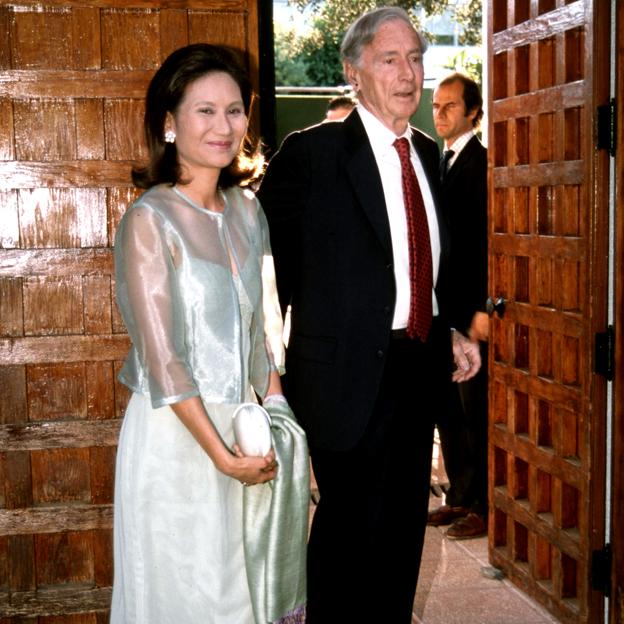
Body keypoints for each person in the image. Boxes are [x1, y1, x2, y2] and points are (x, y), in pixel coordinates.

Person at [258, 8, 481, 623]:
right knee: (346, 537)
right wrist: (261, 377)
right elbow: (264, 274)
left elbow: (432, 261)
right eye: (391, 59)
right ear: (355, 73)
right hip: (341, 376)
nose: (409, 73)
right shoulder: (312, 154)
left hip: (417, 369)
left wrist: (454, 325)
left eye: (415, 58)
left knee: (403, 536)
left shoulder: (430, 156)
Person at [110, 43, 308, 624]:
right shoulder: (149, 220)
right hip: (176, 438)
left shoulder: (249, 210)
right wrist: (220, 456)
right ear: (168, 124)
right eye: (205, 111)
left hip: (243, 432)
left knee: (242, 595)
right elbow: (164, 360)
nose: (224, 126)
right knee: (184, 595)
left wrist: (281, 419)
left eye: (235, 110)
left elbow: (260, 338)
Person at [428, 72, 489, 539]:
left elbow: (486, 244)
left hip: (471, 311)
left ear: (472, 111)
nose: (440, 113)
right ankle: (460, 495)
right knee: (449, 408)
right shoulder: (435, 161)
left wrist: (478, 310)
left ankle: (484, 506)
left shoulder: (483, 164)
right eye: (436, 105)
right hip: (440, 311)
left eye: (450, 106)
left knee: (476, 412)